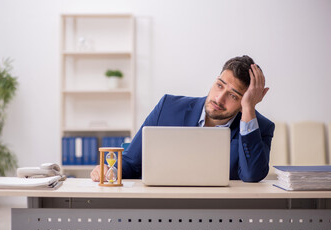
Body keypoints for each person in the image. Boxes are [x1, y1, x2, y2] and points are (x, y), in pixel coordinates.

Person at [91, 55, 275, 183]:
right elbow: (132, 162)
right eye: (219, 85)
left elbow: (251, 175)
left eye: (234, 96)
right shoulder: (168, 107)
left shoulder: (261, 128)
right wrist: (110, 171)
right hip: (160, 211)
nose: (219, 99)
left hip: (221, 216)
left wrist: (249, 109)